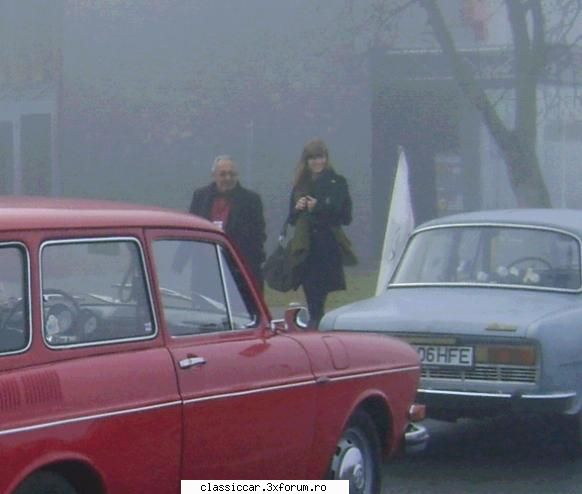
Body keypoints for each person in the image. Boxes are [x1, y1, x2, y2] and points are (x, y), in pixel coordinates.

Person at [286, 138, 356, 328]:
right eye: (313, 158)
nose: (318, 162)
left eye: (321, 157)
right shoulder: (300, 185)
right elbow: (290, 219)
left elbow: (345, 216)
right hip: (305, 246)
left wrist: (319, 206)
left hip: (326, 245)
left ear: (326, 159)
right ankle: (314, 322)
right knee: (309, 287)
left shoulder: (337, 182)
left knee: (320, 289)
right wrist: (298, 207)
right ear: (306, 161)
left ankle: (317, 323)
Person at [188, 155, 266, 290]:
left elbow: (258, 236)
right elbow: (191, 229)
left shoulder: (251, 200)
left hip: (239, 269)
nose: (228, 178)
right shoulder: (200, 196)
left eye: (232, 174)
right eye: (223, 174)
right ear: (214, 175)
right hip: (206, 270)